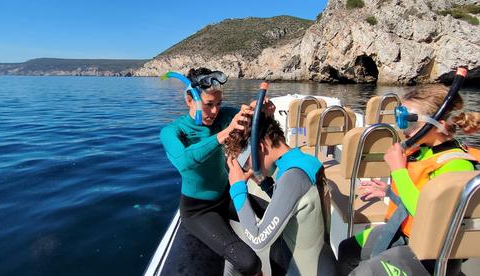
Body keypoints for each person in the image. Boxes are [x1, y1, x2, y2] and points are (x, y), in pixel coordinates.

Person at [337, 85, 479, 276]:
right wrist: (389, 192)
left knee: (364, 272)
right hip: (405, 235)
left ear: (440, 124)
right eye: (400, 121)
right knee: (348, 249)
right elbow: (418, 193)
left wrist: (398, 171)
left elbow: (426, 214)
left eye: (410, 122)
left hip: (428, 256)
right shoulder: (423, 152)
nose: (403, 130)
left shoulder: (456, 165)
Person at [160, 67, 269, 275]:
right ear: (189, 101)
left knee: (281, 216)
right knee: (249, 263)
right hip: (199, 210)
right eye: (208, 105)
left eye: (218, 104)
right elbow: (184, 161)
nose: (215, 111)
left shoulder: (224, 116)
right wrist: (225, 133)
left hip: (226, 196)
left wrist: (260, 111)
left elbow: (249, 117)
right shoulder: (173, 131)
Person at [225, 110, 339, 276]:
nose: (247, 169)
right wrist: (263, 181)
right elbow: (294, 204)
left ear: (261, 147)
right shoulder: (302, 162)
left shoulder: (292, 177)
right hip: (317, 260)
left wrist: (237, 189)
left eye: (246, 163)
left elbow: (258, 239)